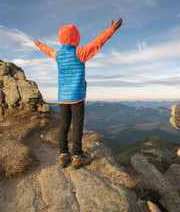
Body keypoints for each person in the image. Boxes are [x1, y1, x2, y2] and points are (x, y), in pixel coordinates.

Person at [34, 18, 122, 169]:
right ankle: (76, 157)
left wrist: (41, 46)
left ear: (61, 39)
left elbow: (49, 52)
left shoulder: (59, 55)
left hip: (63, 98)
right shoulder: (79, 53)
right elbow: (97, 43)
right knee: (77, 126)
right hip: (77, 97)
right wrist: (111, 30)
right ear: (76, 37)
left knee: (64, 126)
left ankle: (63, 156)